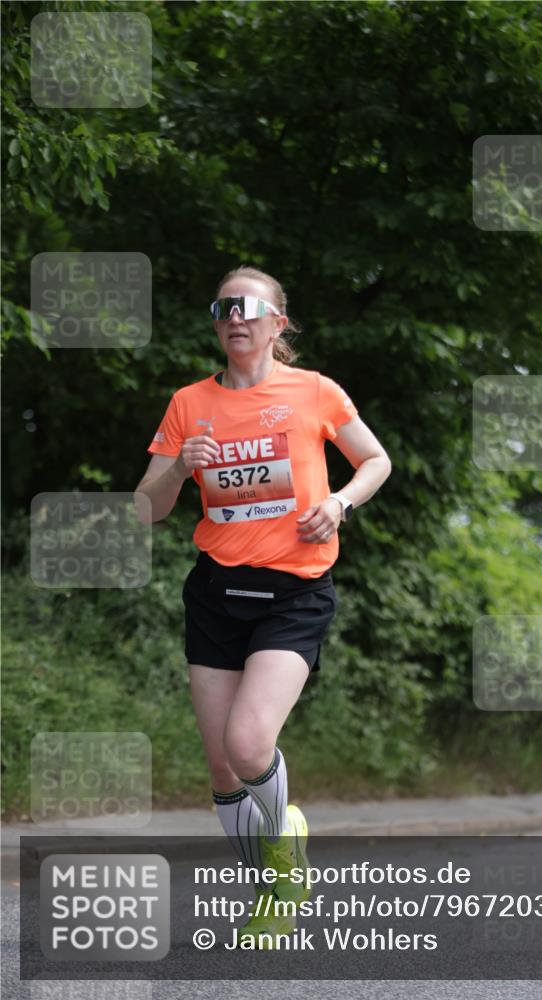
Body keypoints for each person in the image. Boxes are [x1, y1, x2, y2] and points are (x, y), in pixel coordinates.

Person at [135, 265, 391, 947]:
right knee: (221, 764)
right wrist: (180, 466)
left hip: (294, 591)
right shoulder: (189, 403)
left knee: (249, 744)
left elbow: (375, 461)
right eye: (223, 307)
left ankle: (287, 850)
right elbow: (144, 509)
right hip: (217, 591)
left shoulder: (312, 391)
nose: (235, 317)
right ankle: (270, 894)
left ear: (278, 324)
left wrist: (338, 502)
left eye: (250, 307)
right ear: (216, 322)